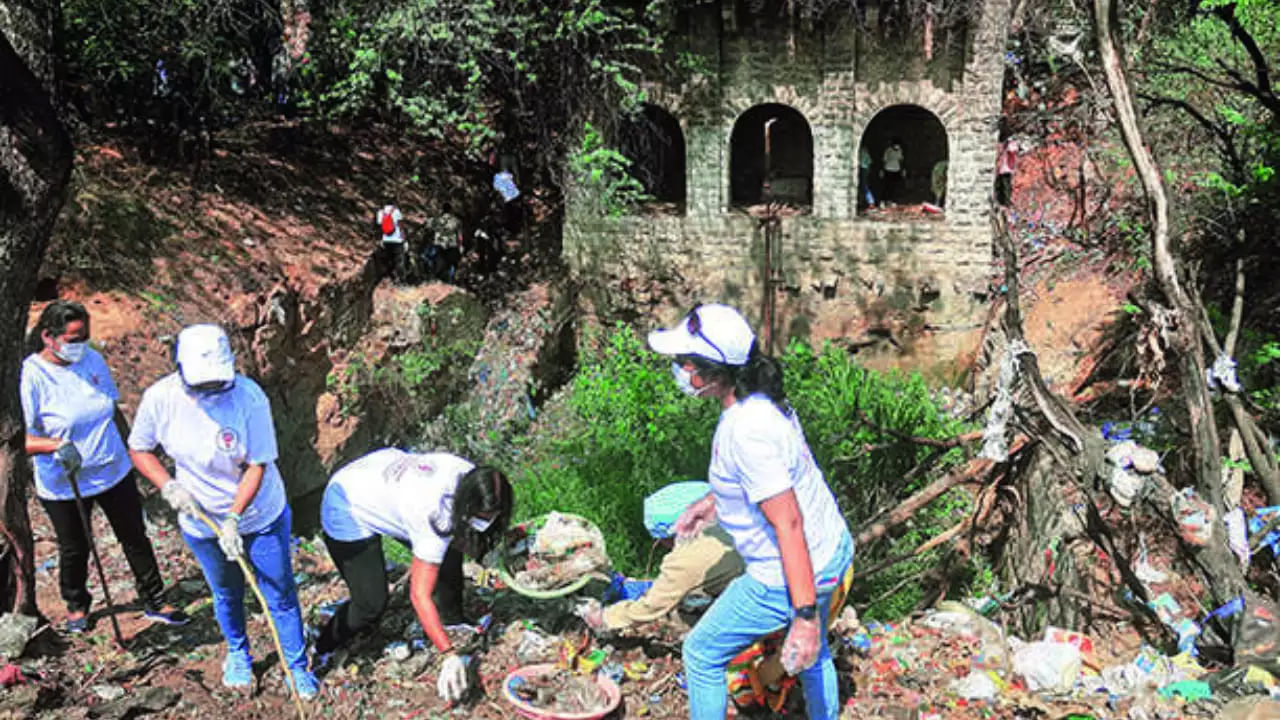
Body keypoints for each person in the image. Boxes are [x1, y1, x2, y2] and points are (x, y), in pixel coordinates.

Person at [646, 303, 854, 720]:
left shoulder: (746, 432)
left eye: (685, 362)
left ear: (712, 371)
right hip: (832, 549)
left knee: (701, 653)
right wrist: (711, 505)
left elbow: (788, 524)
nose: (679, 370)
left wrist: (806, 616)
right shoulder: (764, 401)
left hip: (787, 574)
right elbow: (773, 485)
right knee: (814, 656)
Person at [128, 324, 319, 699]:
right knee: (226, 592)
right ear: (179, 368)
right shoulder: (160, 399)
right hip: (201, 519)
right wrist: (168, 485)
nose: (211, 391)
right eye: (203, 385)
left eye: (217, 383)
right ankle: (238, 653)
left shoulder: (249, 398)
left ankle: (296, 666)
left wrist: (233, 517)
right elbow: (140, 448)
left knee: (278, 592)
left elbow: (257, 465)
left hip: (259, 515)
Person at [20, 300, 189, 634]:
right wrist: (56, 445)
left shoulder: (92, 359)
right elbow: (20, 439)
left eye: (85, 335)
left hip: (113, 469)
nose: (80, 344)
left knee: (134, 536)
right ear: (48, 337)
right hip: (65, 481)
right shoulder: (32, 377)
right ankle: (76, 604)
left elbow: (111, 409)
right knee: (75, 547)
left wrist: (134, 450)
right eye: (73, 338)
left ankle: (155, 599)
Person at [312, 447, 513, 703]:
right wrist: (448, 654)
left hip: (385, 483)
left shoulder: (471, 477)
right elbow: (419, 595)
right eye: (483, 518)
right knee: (370, 604)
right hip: (349, 505)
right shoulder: (432, 513)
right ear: (466, 505)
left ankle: (452, 619)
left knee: (446, 551)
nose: (488, 522)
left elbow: (462, 534)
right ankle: (323, 647)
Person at [377, 204, 408, 283]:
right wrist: (404, 240)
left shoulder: (380, 212)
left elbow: (380, 228)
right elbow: (401, 226)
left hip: (386, 241)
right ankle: (402, 281)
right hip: (397, 240)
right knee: (399, 261)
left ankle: (391, 279)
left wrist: (381, 239)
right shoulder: (396, 211)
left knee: (389, 260)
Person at [995, 135, 1020, 206]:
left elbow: (1011, 152)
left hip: (1006, 169)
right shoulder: (1010, 147)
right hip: (1006, 168)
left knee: (1005, 185)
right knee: (1004, 185)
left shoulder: (1011, 146)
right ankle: (1003, 200)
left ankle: (1005, 201)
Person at [881, 138, 905, 205]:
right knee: (887, 186)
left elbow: (900, 160)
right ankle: (883, 200)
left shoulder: (899, 150)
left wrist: (902, 170)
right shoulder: (888, 150)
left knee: (893, 186)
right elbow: (884, 160)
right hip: (888, 169)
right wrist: (882, 170)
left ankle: (891, 200)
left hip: (896, 170)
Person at [858, 146, 876, 210]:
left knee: (863, 186)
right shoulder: (866, 153)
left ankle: (869, 202)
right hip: (864, 169)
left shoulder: (861, 153)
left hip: (862, 169)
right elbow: (870, 163)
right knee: (863, 186)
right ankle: (868, 202)